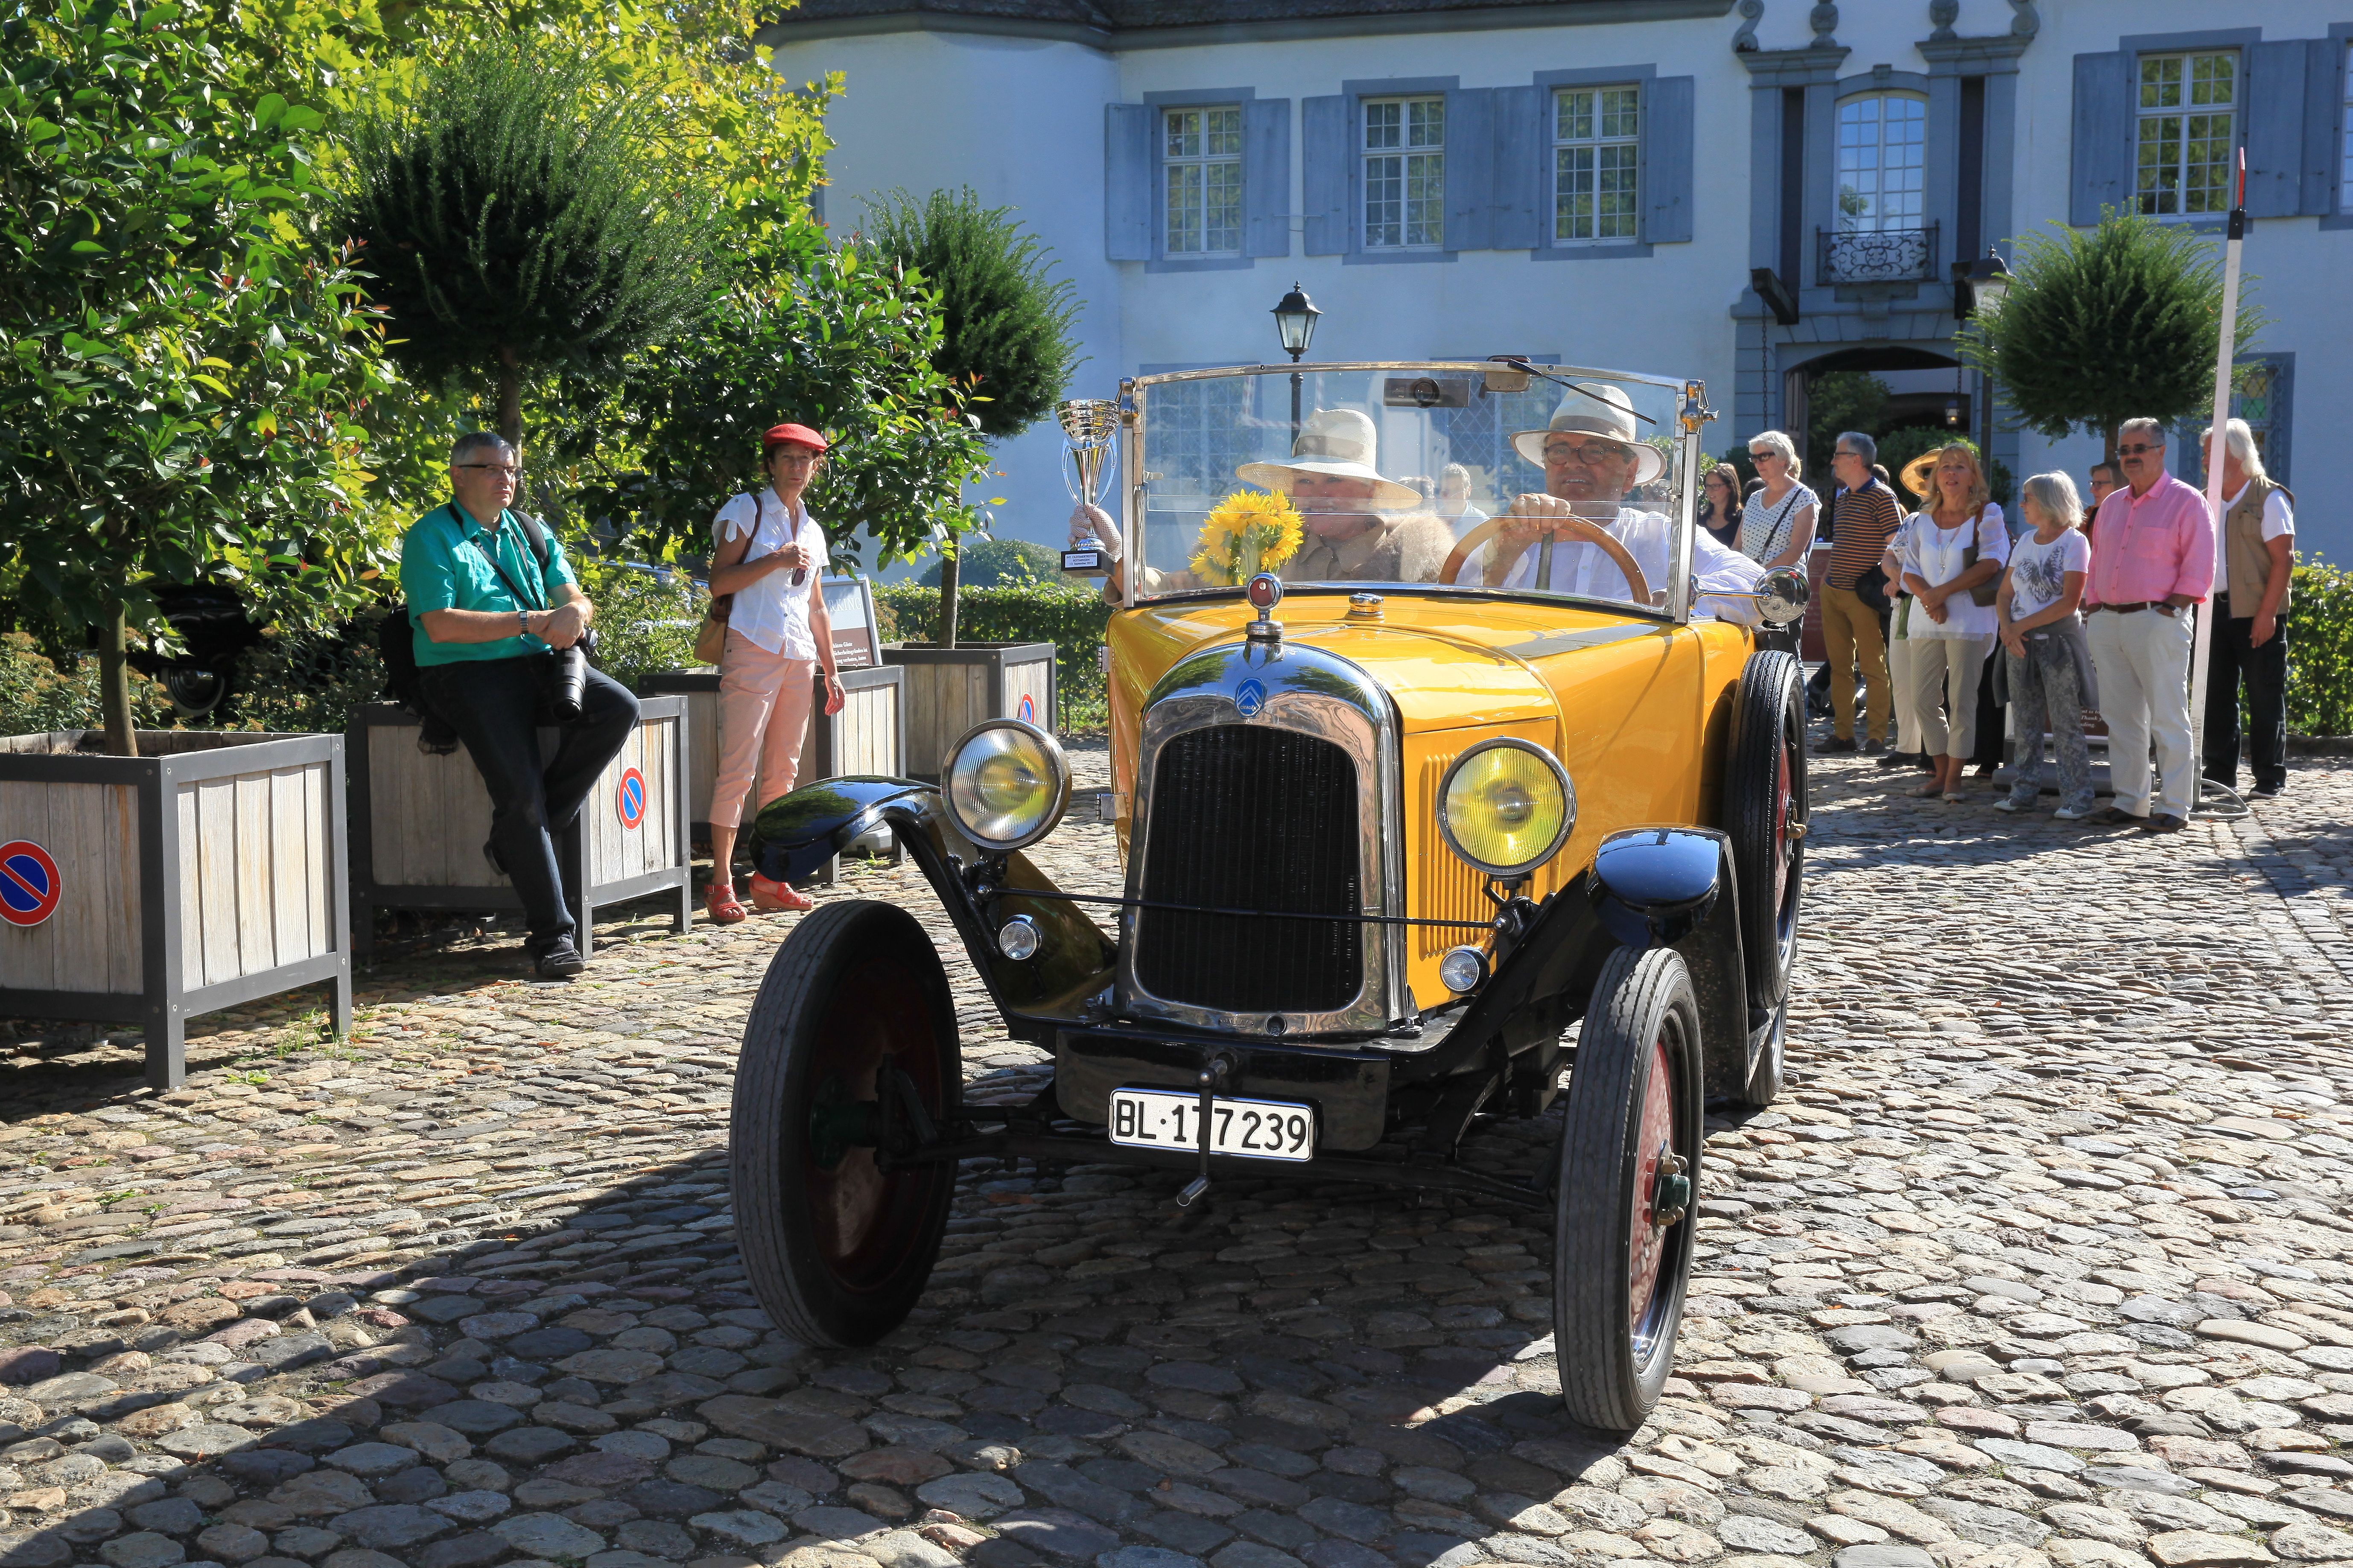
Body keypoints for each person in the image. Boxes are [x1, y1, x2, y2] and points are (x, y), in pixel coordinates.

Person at [403, 432, 639, 979]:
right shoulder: (430, 536)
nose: (505, 478)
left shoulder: (528, 529)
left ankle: (518, 837)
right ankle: (553, 936)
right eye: (491, 468)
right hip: (465, 672)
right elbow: (439, 623)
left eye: (511, 469)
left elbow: (574, 596)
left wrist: (576, 613)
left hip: (535, 664)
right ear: (458, 474)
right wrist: (534, 621)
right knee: (520, 793)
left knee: (618, 706)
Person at [1077, 408, 1454, 599]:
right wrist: (1115, 554)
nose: (1315, 494)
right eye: (1304, 480)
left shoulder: (1417, 562)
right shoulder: (1259, 539)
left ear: (1370, 492)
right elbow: (1177, 590)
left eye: (1334, 480)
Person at [704, 423, 846, 924]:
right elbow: (718, 581)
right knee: (738, 766)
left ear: (815, 468)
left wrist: (832, 670)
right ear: (769, 463)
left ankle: (768, 877)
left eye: (805, 459)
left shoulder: (812, 527)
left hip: (799, 656)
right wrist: (775, 559)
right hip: (753, 645)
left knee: (783, 771)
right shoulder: (746, 510)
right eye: (786, 457)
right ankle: (721, 881)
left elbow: (818, 605)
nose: (796, 466)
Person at [1477, 386, 1766, 622]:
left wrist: (1684, 597)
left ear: (1630, 473)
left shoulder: (1661, 534)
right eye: (1560, 450)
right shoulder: (1513, 531)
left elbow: (1756, 583)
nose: (1572, 463)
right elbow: (1452, 609)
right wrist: (1506, 548)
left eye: (1595, 451)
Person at [2083, 418, 2214, 832]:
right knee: (2120, 717)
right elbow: (2097, 560)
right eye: (2124, 449)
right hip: (2109, 621)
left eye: (2139, 447)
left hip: (2158, 619)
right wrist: (2094, 609)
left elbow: (2199, 565)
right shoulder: (2112, 504)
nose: (2130, 456)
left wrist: (2169, 611)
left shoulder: (2187, 501)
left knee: (2167, 715)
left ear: (2160, 451)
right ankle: (2131, 800)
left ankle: (2174, 805)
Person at [1895, 443, 2009, 801]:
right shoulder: (1922, 520)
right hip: (1927, 618)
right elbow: (1908, 569)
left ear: (1973, 476)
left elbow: (1991, 563)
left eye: (1961, 467)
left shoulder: (1987, 514)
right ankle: (1940, 772)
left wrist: (1941, 593)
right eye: (1946, 467)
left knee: (1962, 700)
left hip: (1970, 621)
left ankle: (1954, 780)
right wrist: (1931, 598)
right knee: (1924, 699)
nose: (1951, 473)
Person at [2201, 417, 2295, 799]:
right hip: (2212, 611)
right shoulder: (2205, 498)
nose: (2204, 460)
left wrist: (2267, 614)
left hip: (2257, 611)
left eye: (2210, 453)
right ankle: (2221, 773)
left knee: (2265, 692)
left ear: (2234, 454)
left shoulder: (2268, 497)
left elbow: (2284, 560)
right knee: (2216, 695)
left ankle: (2270, 777)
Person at [1995, 472, 2096, 819]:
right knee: (2025, 720)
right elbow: (2005, 593)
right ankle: (2023, 792)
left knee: (2067, 723)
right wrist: (2008, 630)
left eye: (2028, 498)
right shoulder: (2024, 540)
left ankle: (2078, 798)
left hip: (2058, 645)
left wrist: (2018, 627)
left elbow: (2070, 601)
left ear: (2050, 501)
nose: (2022, 504)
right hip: (2019, 643)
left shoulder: (2074, 542)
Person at [1813, 432, 1901, 753]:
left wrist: (1892, 581)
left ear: (1856, 460)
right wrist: (1825, 579)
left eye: (1839, 454)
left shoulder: (1883, 496)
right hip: (1833, 591)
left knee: (1873, 667)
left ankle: (1877, 736)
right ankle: (1844, 734)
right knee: (1839, 666)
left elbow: (1898, 545)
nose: (1833, 460)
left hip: (1864, 595)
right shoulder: (1844, 496)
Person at [1737, 431, 1815, 571]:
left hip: (1782, 584)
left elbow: (1795, 551)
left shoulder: (1804, 497)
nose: (1758, 463)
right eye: (1755, 458)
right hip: (1748, 586)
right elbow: (1737, 546)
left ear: (1783, 459)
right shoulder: (1754, 498)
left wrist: (1759, 576)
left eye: (1764, 457)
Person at [1436, 463, 1490, 538]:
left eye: (1457, 490)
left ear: (1469, 490)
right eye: (1446, 491)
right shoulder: (1433, 522)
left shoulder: (1481, 523)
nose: (1452, 496)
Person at [1700, 465, 1743, 551]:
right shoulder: (1699, 519)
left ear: (1730, 488)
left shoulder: (1742, 520)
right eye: (1708, 486)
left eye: (1716, 486)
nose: (1710, 490)